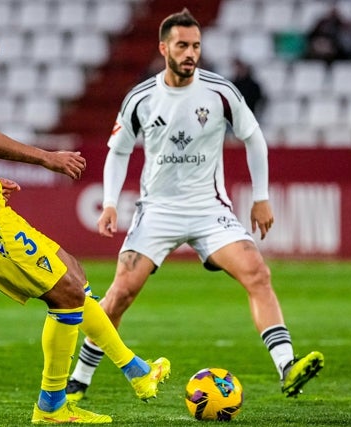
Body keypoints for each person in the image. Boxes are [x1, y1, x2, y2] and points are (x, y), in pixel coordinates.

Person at [0, 5, 170, 424]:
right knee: (65, 295)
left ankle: (136, 372)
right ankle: (53, 408)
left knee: (73, 276)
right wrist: (46, 158)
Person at [66, 9, 324, 402]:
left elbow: (254, 138)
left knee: (257, 272)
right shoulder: (141, 97)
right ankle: (81, 378)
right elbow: (118, 152)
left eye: (196, 46)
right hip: (158, 211)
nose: (191, 53)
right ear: (163, 48)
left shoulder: (221, 91)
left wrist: (261, 197)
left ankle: (287, 367)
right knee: (120, 294)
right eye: (182, 45)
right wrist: (110, 203)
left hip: (209, 210)